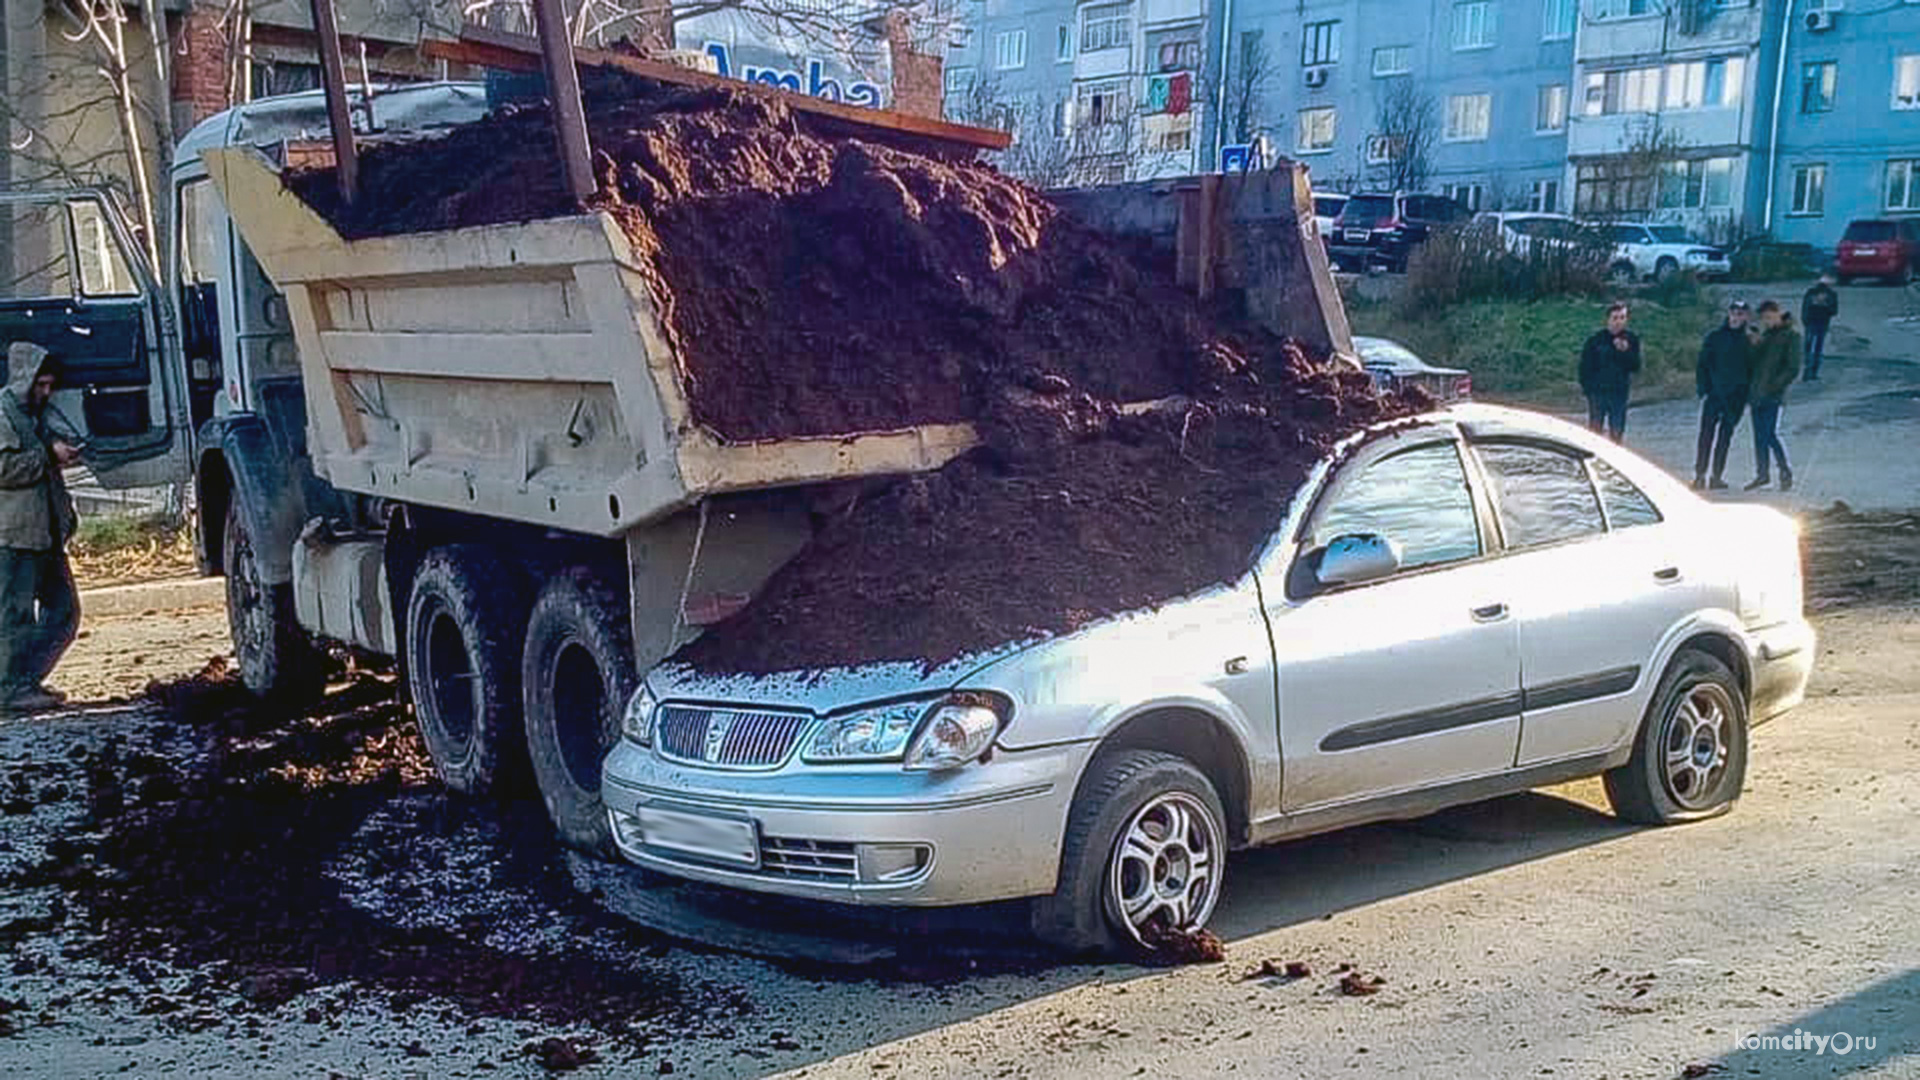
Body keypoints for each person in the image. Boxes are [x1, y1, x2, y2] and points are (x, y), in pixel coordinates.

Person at [0, 343, 80, 715]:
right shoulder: (3, 414)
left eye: (49, 385)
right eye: (40, 384)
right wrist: (48, 456)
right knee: (13, 618)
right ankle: (10, 689)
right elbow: (4, 471)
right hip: (13, 536)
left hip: (44, 535)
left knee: (63, 613)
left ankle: (24, 680)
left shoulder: (36, 417)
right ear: (23, 380)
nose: (45, 393)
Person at [1693, 299, 1752, 490]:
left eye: (1741, 314)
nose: (1737, 317)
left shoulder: (1748, 340)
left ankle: (1716, 476)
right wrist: (1703, 389)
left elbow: (1752, 370)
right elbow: (1702, 364)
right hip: (1714, 395)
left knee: (1725, 438)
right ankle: (1700, 475)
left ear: (1746, 317)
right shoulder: (1715, 337)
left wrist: (1745, 396)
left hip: (1735, 398)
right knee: (1706, 437)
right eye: (1734, 313)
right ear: (1729, 314)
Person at [1745, 301, 1801, 492]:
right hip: (1756, 392)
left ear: (1779, 314)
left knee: (1769, 434)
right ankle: (1762, 474)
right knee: (1759, 436)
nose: (1767, 321)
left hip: (1773, 394)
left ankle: (1785, 471)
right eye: (1764, 318)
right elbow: (1753, 363)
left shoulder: (1791, 336)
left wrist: (1775, 387)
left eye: (1769, 317)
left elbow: (1793, 368)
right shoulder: (1767, 336)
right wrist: (1754, 344)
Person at [1579, 301, 1641, 442]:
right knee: (1595, 433)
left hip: (1619, 393)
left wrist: (1625, 352)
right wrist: (1588, 390)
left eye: (1622, 318)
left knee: (1617, 432)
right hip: (1598, 393)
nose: (1619, 322)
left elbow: (1635, 366)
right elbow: (1585, 367)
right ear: (1608, 320)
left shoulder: (1631, 339)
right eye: (1615, 318)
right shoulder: (1596, 341)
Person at [1800, 274, 1839, 382]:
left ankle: (1809, 370)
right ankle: (1811, 371)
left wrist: (1805, 319)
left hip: (1815, 322)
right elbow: (1834, 311)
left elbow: (1805, 307)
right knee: (1816, 347)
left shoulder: (1813, 292)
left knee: (1811, 345)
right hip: (1818, 322)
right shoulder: (1829, 294)